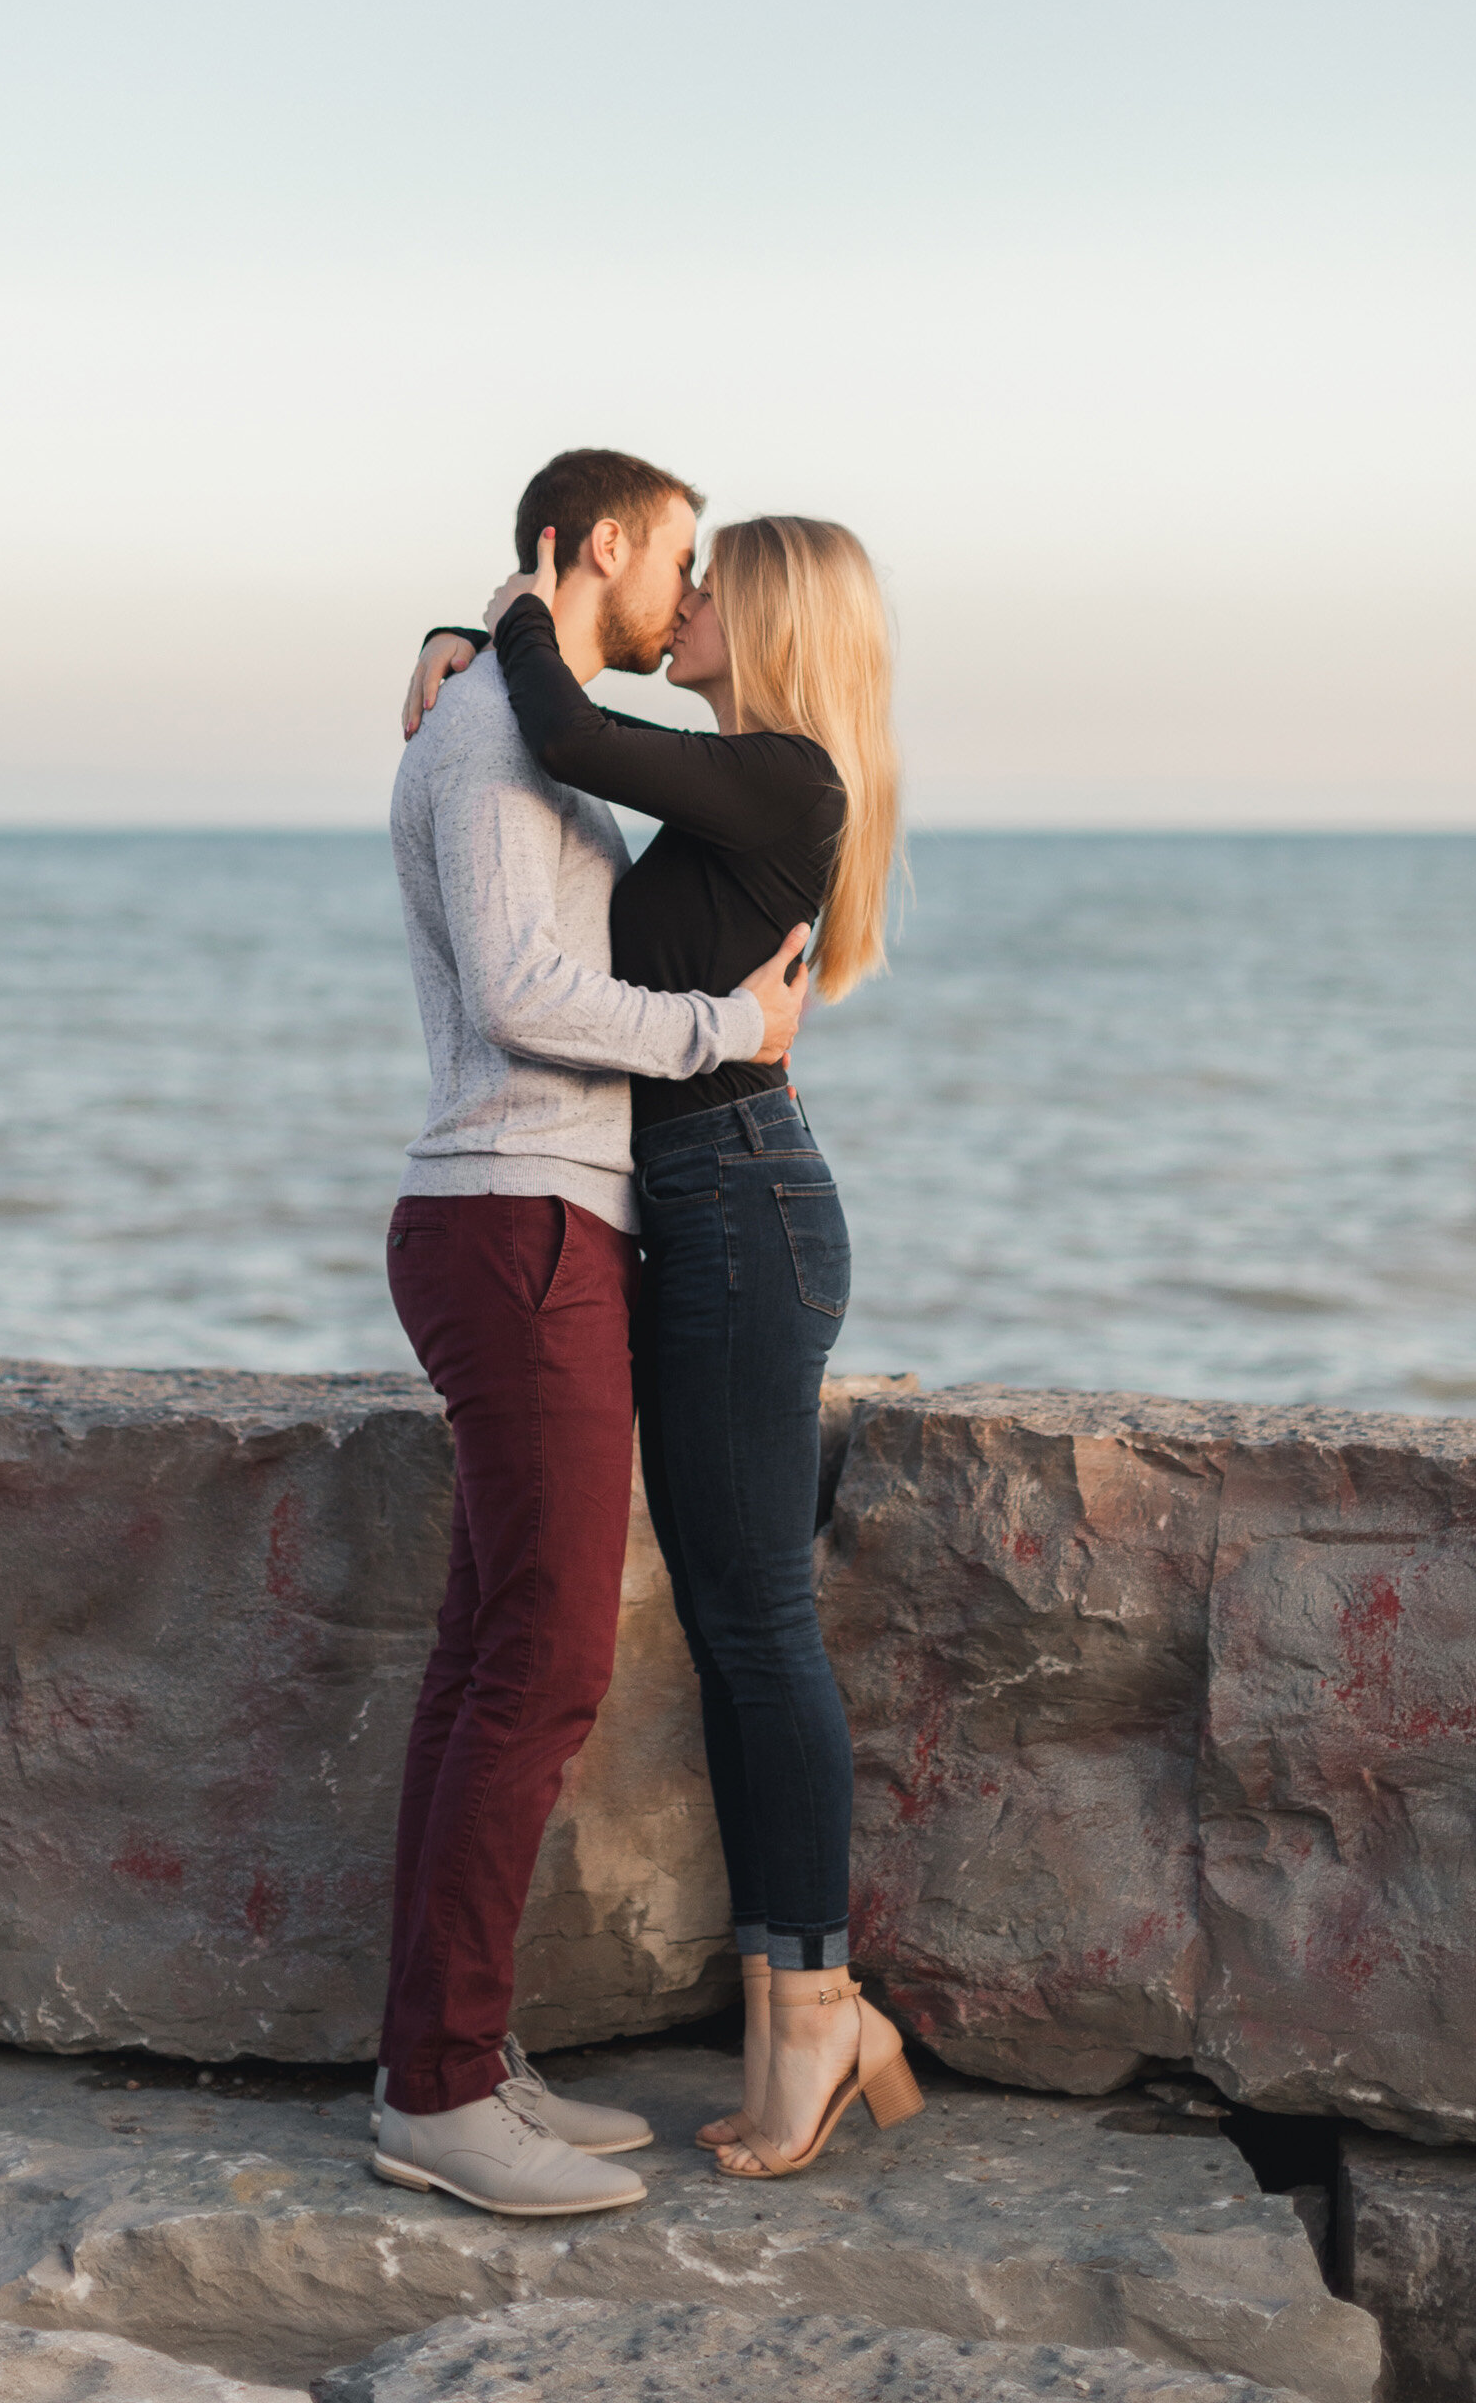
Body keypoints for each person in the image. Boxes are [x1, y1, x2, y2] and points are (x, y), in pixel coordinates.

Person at [405, 504, 921, 2182]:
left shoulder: (792, 778)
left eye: (709, 587)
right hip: (689, 1203)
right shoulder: (729, 780)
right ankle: (804, 2022)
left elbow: (564, 728)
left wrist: (496, 623)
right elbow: (564, 729)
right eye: (675, 575)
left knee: (761, 1622)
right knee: (729, 1620)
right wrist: (465, 644)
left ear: (768, 620)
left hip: (742, 1205)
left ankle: (818, 2011)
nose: (681, 604)